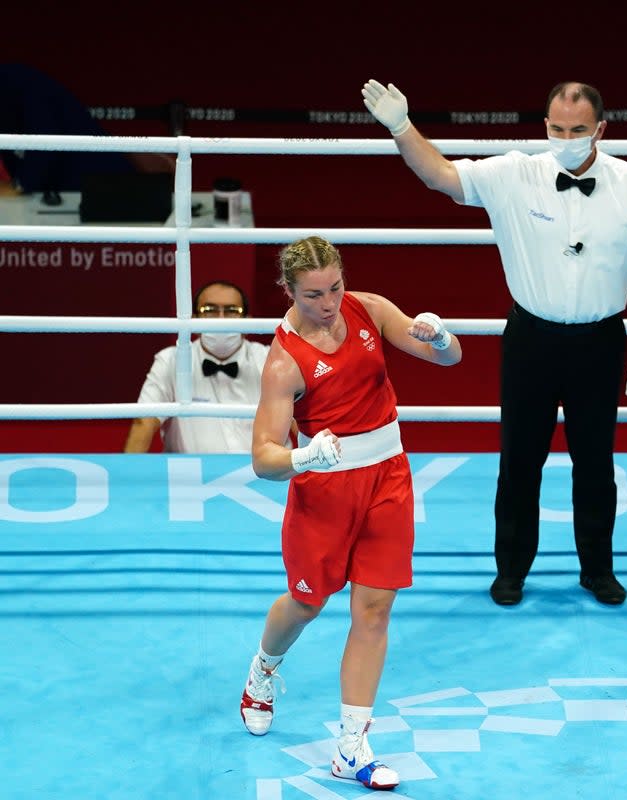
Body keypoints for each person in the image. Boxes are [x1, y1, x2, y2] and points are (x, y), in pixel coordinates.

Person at [361, 77, 627, 607]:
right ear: (544, 125)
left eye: (577, 129)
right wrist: (401, 126)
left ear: (601, 128)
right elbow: (440, 175)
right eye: (557, 127)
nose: (566, 136)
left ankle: (598, 569)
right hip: (532, 338)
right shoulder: (514, 173)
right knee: (519, 460)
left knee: (595, 462)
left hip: (600, 340)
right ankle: (510, 570)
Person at [238, 236, 462, 791]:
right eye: (314, 294)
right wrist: (304, 454)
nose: (330, 302)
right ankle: (263, 670)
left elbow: (448, 359)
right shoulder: (284, 360)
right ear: (287, 291)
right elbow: (263, 458)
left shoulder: (370, 308)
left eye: (335, 287)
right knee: (308, 602)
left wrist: (442, 336)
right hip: (326, 487)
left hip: (389, 473)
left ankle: (351, 746)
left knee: (375, 608)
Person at [124, 280, 269, 453]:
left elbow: (298, 421)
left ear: (248, 321)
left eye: (231, 311)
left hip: (263, 477)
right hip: (191, 477)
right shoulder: (170, 360)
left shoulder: (272, 359)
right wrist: (125, 479)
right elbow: (144, 423)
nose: (220, 319)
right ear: (194, 319)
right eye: (210, 311)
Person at [0, 63, 170, 195]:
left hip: (103, 189)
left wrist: (20, 185)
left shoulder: (22, 83)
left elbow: (46, 141)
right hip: (57, 197)